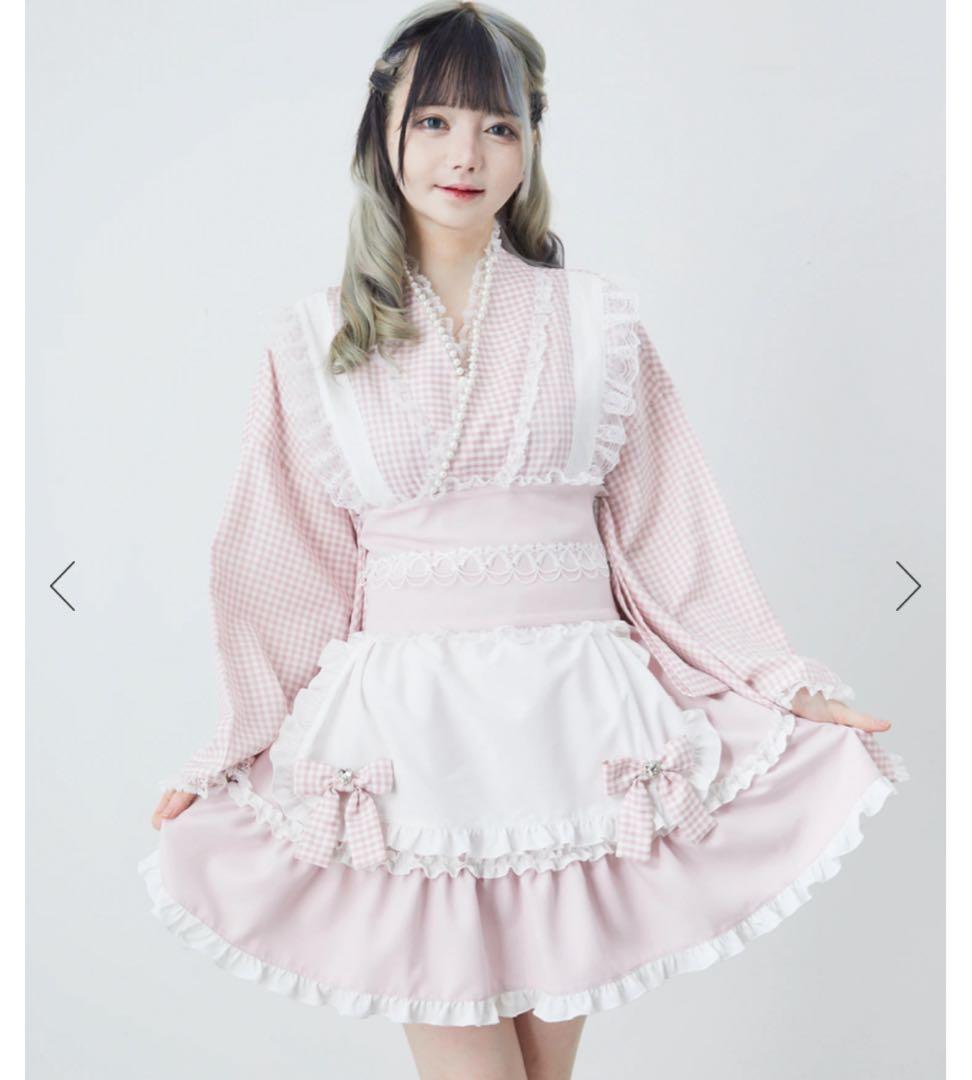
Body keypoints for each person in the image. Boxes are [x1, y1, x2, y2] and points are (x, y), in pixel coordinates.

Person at [138, 3, 910, 1077]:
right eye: (435, 121)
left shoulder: (599, 320)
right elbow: (286, 564)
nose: (465, 154)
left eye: (498, 126)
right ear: (382, 135)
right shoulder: (314, 339)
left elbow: (671, 531)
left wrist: (780, 682)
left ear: (531, 143)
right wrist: (233, 744)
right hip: (409, 744)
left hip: (577, 727)